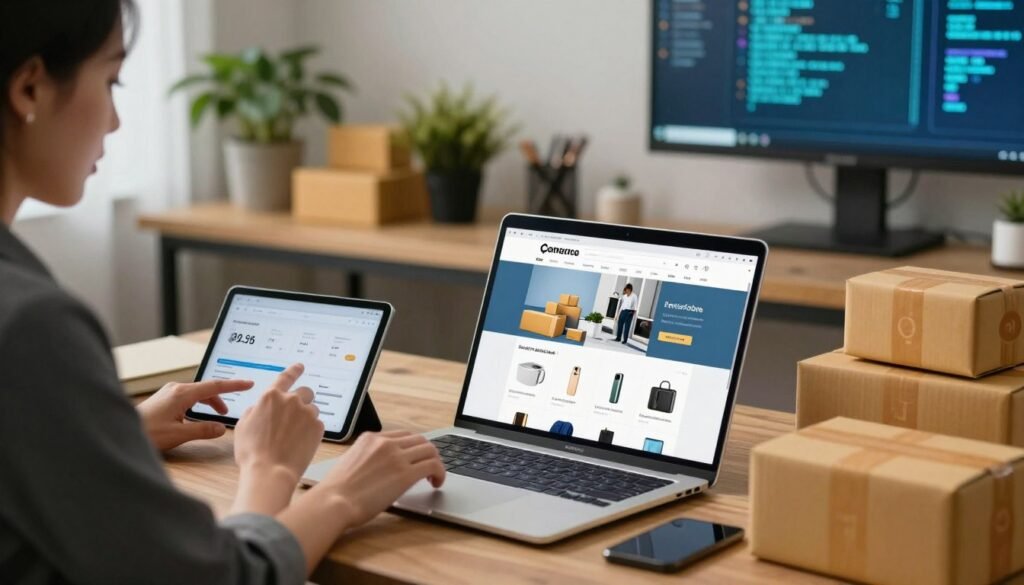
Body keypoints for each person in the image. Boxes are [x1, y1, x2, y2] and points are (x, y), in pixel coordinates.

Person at [0, 2, 445, 583]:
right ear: (30, 87)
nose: (113, 122)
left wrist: (116, 437)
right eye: (110, 81)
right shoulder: (32, 326)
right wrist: (302, 480)